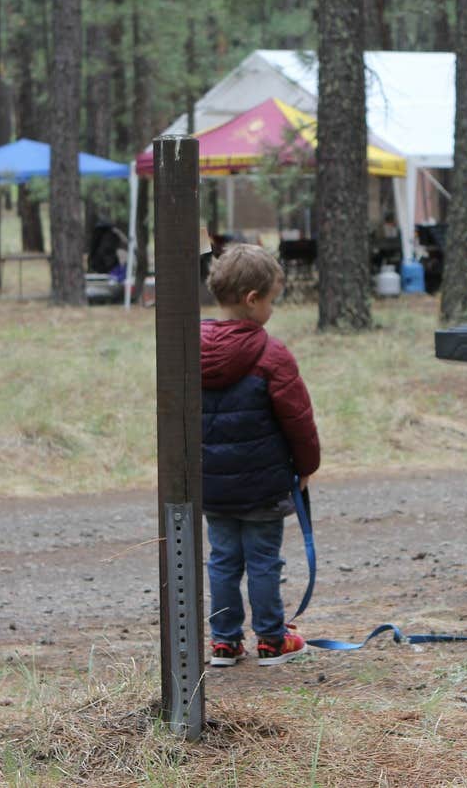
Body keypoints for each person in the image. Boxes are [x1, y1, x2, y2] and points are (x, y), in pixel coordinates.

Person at [201, 243, 320, 667]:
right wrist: (306, 468)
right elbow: (299, 420)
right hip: (264, 487)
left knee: (222, 560)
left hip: (211, 485)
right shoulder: (272, 354)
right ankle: (271, 638)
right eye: (272, 300)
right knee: (264, 560)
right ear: (253, 300)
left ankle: (224, 641)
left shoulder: (188, 351)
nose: (272, 309)